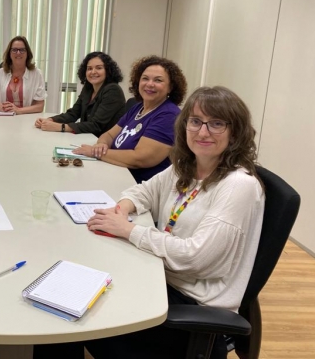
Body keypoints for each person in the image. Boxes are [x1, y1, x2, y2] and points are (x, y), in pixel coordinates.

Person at [35, 86, 265, 359]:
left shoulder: (238, 185)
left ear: (235, 131)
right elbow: (144, 191)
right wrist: (121, 209)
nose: (203, 132)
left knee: (61, 318)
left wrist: (129, 230)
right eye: (195, 121)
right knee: (64, 294)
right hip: (160, 279)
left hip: (187, 310)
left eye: (216, 124)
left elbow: (196, 258)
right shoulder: (189, 166)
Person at [73, 55, 187, 183]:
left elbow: (139, 159)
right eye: (145, 79)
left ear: (171, 87)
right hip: (114, 173)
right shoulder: (137, 107)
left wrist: (96, 153)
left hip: (138, 187)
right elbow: (109, 135)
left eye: (158, 80)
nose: (150, 84)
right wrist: (101, 145)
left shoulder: (169, 115)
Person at [35, 52, 126, 137]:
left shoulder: (113, 90)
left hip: (103, 143)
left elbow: (96, 125)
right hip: (88, 137)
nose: (93, 72)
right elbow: (73, 113)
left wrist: (61, 127)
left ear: (108, 70)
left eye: (99, 68)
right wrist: (50, 120)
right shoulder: (88, 88)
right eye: (89, 68)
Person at [0, 36, 46, 114]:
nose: (18, 53)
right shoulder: (0, 74)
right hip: (3, 120)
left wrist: (18, 110)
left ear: (27, 53)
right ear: (9, 54)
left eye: (22, 50)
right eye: (14, 50)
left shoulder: (37, 74)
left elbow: (40, 106)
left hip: (26, 120)